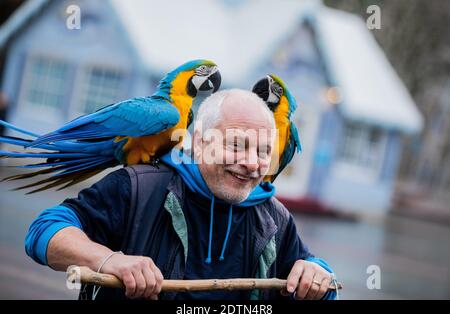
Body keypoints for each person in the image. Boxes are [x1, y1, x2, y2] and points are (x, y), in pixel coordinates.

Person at [25, 89, 337, 300]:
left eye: (264, 151)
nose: (252, 163)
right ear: (199, 142)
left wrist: (319, 275)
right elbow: (42, 233)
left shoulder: (275, 219)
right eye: (237, 145)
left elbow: (315, 273)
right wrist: (108, 260)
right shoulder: (139, 188)